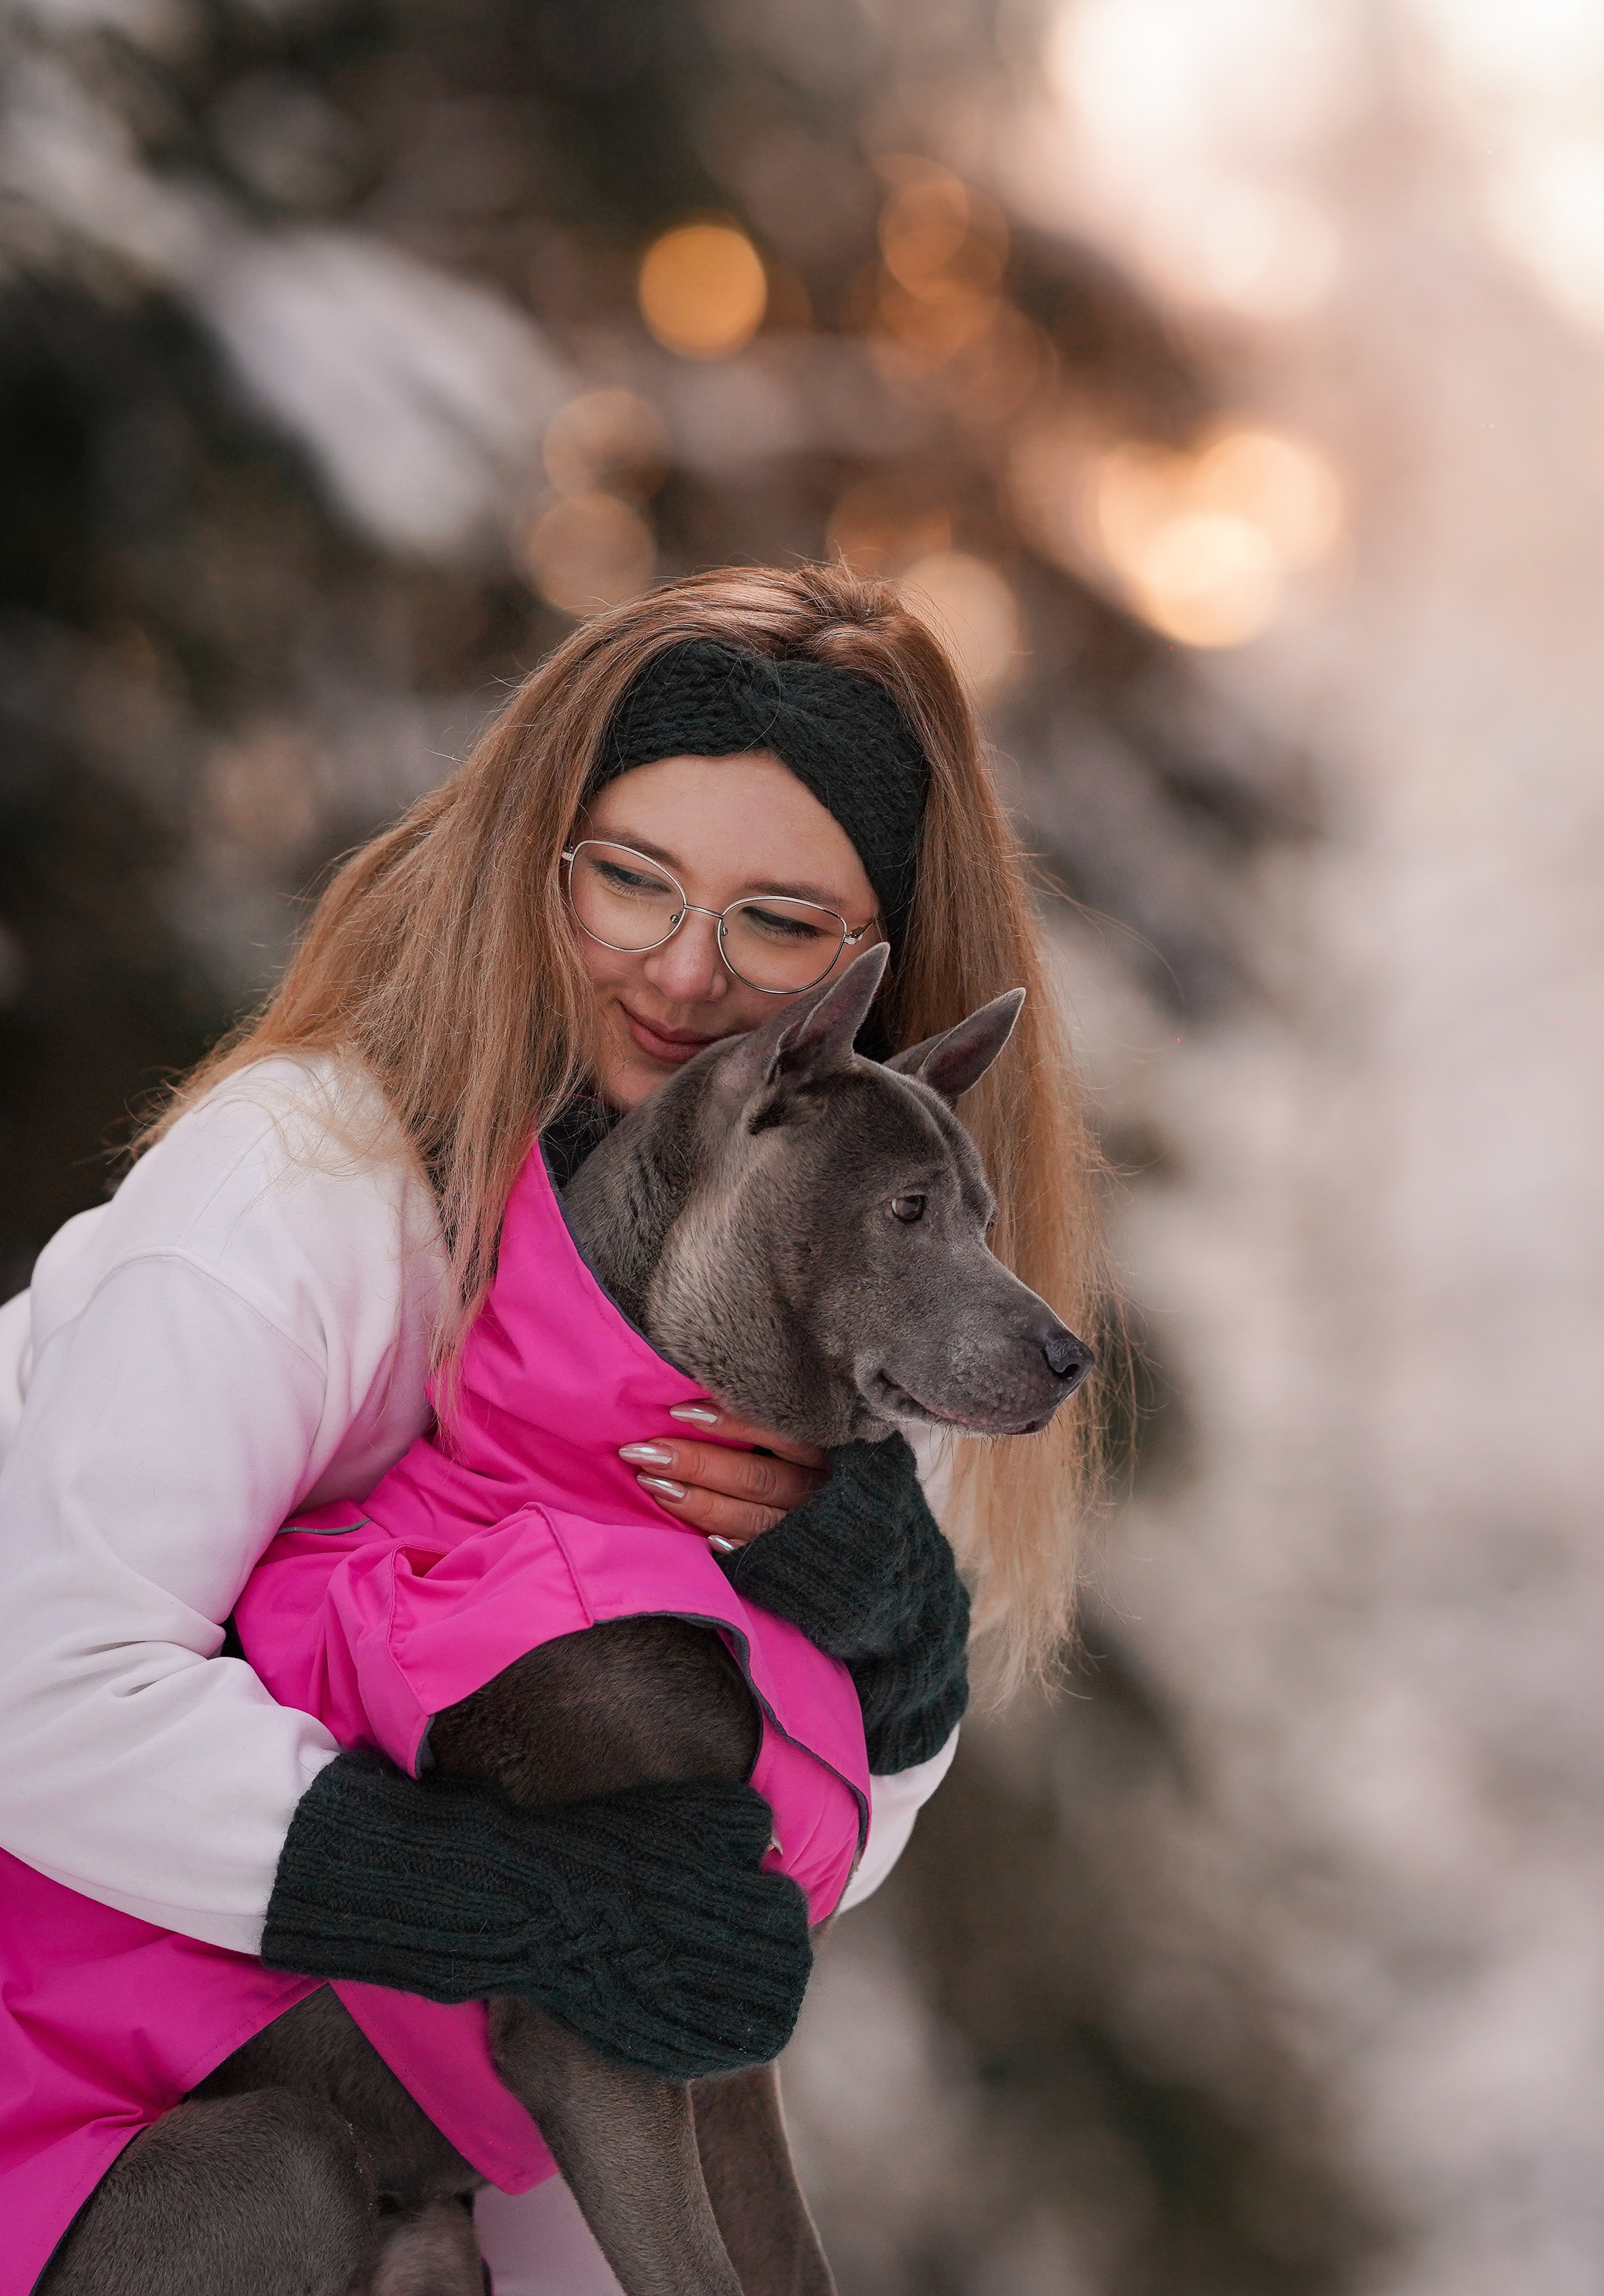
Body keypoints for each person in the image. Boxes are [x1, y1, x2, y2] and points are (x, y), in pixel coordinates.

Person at [0, 563, 1107, 2287]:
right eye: (635, 880)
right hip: (88, 2073)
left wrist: (865, 1599)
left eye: (779, 921)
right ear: (543, 866)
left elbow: (807, 1844)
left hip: (383, 2093)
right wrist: (508, 1898)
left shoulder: (832, 1265)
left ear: (864, 985)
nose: (684, 970)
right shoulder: (304, 1186)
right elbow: (40, 1692)